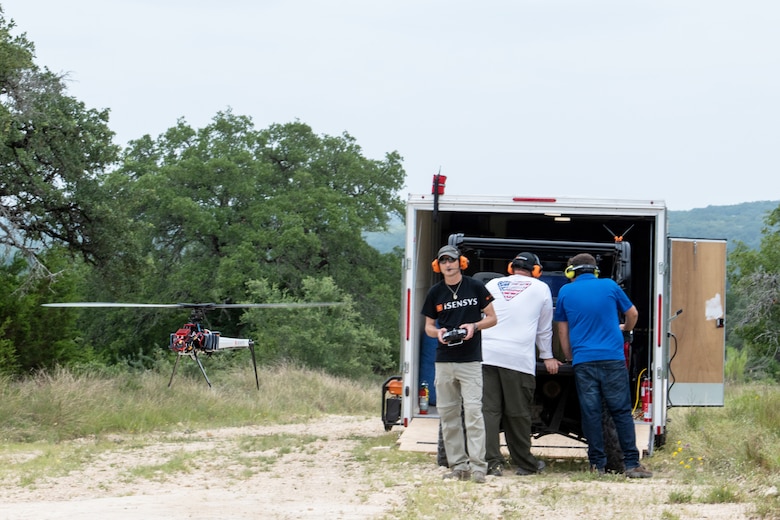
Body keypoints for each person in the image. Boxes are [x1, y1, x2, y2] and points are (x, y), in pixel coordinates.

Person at [553, 253, 653, 478]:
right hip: (612, 359)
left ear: (571, 272)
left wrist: (570, 355)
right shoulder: (609, 285)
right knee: (620, 412)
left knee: (591, 413)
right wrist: (626, 329)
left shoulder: (566, 291)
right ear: (595, 270)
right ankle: (631, 464)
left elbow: (562, 329)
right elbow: (633, 313)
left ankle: (597, 465)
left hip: (584, 362)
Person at [422, 245, 497, 484]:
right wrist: (439, 333)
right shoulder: (435, 292)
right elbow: (428, 327)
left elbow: (493, 318)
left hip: (470, 361)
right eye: (443, 261)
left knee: (474, 413)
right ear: (438, 265)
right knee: (448, 415)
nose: (448, 264)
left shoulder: (475, 287)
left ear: (460, 263)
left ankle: (478, 468)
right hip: (444, 361)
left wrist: (474, 327)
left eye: (452, 260)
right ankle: (458, 466)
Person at [481, 252, 561, 476]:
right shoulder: (541, 288)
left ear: (510, 268)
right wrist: (547, 356)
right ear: (536, 271)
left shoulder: (493, 283)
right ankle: (525, 464)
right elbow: (544, 329)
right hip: (517, 359)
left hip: (486, 354)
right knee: (517, 413)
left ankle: (491, 464)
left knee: (488, 412)